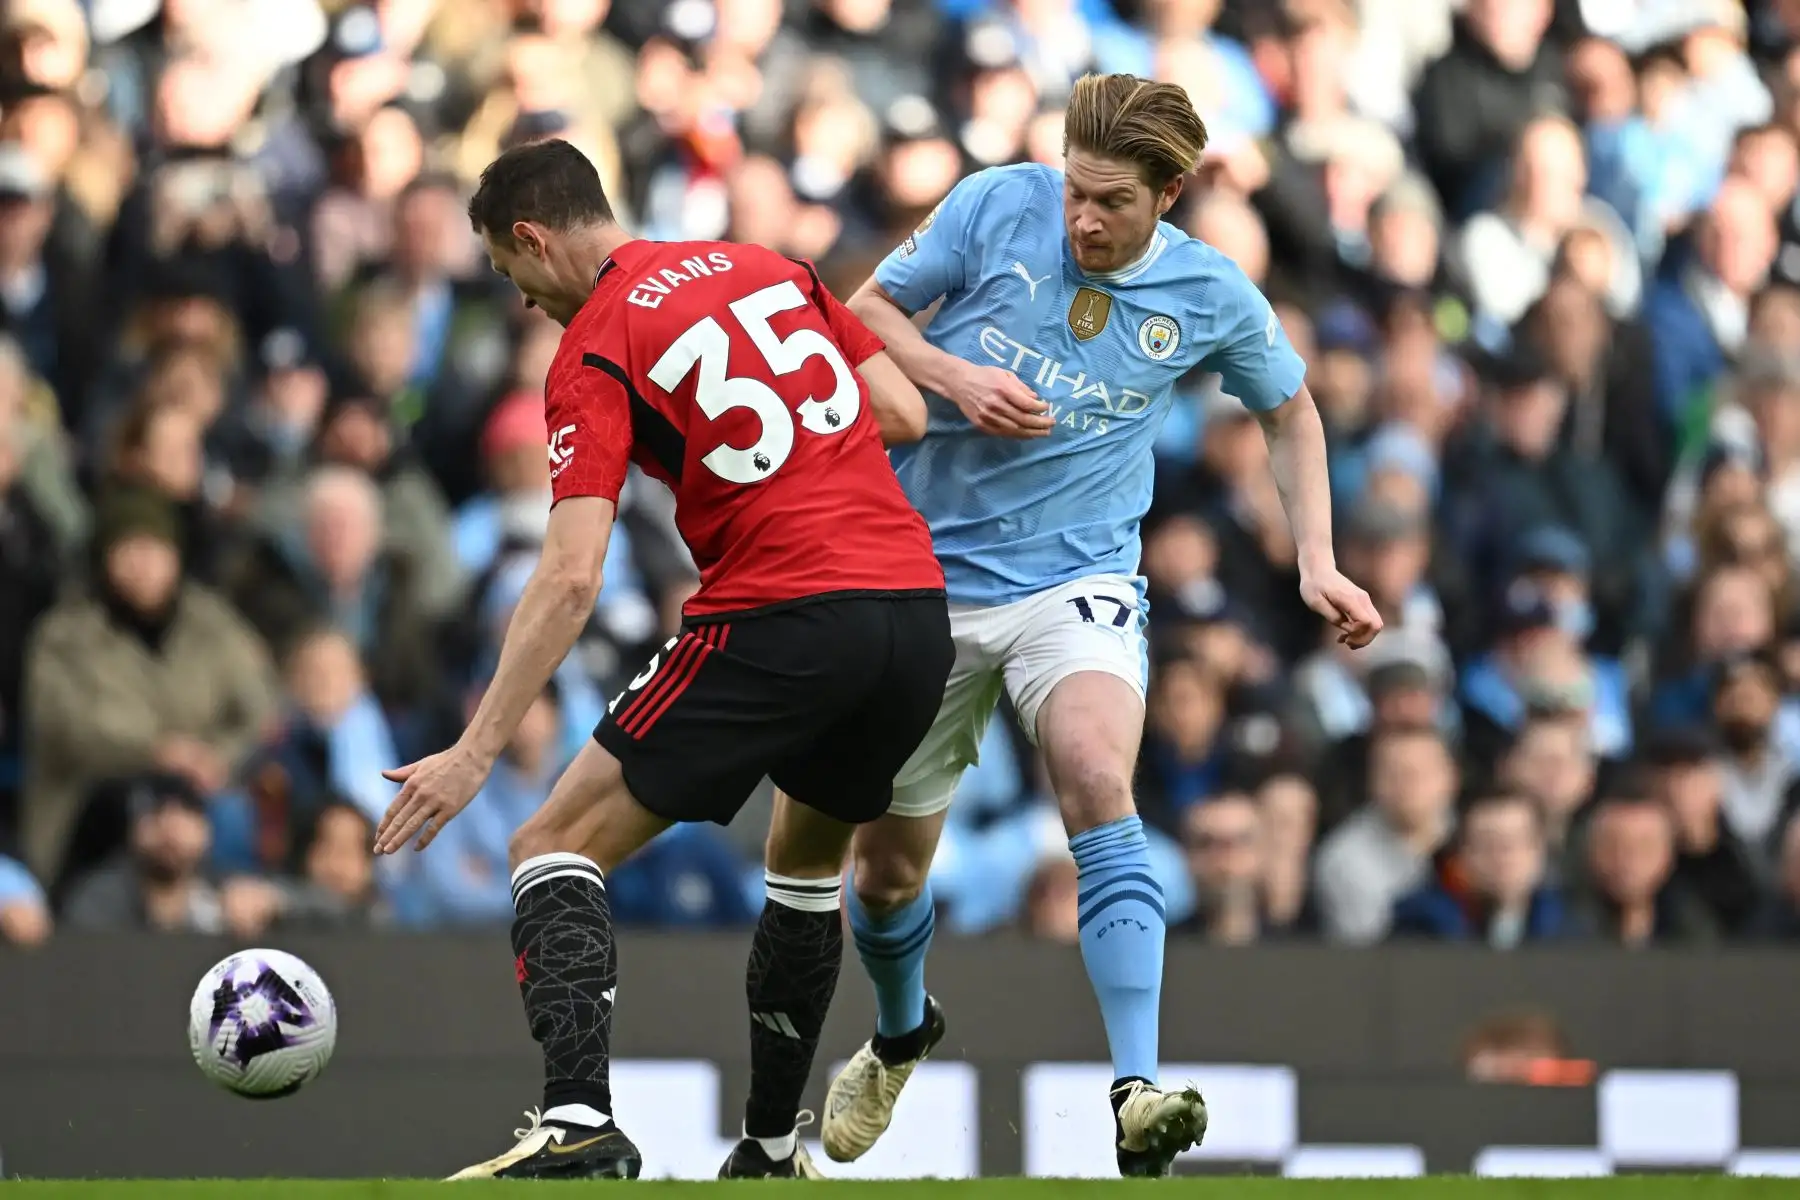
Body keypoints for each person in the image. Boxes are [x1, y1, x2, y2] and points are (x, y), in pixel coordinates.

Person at [802, 72, 1381, 1178]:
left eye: (1110, 198)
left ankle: (1135, 1086)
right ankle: (899, 1030)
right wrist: (946, 375)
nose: (1082, 217)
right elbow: (861, 308)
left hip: (1078, 580)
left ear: (1170, 192)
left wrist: (1317, 559)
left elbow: (1289, 410)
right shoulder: (993, 204)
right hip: (926, 578)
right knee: (881, 878)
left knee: (1093, 771)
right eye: (1074, 188)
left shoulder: (1210, 295)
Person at [369, 139, 953, 1183]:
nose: (528, 304)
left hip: (784, 608)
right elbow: (905, 414)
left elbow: (569, 578)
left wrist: (472, 750)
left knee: (552, 842)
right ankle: (772, 1152)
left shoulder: (595, 346)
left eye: (513, 278)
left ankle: (579, 1120)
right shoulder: (771, 265)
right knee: (806, 869)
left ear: (534, 239)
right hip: (911, 613)